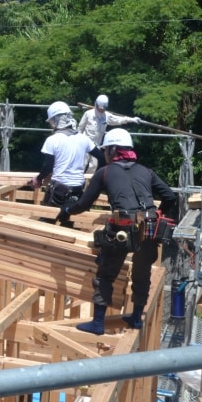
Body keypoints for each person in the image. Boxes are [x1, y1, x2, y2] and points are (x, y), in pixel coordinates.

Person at [56, 128, 177, 335]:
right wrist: (158, 212)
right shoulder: (146, 171)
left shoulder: (104, 172)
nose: (104, 155)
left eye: (105, 151)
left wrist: (66, 211)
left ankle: (98, 324)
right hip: (149, 228)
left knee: (106, 275)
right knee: (142, 272)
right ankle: (136, 318)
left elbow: (84, 204)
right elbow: (170, 196)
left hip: (122, 228)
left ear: (112, 150)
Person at [32, 101, 104, 226]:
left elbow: (48, 166)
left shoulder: (53, 140)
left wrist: (38, 179)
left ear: (55, 120)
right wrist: (98, 179)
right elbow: (101, 157)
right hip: (77, 189)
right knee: (67, 223)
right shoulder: (83, 138)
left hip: (58, 189)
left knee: (46, 222)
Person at [78, 94, 141, 173]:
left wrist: (131, 120)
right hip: (85, 144)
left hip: (96, 146)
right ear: (96, 105)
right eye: (100, 109)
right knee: (81, 164)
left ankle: (88, 184)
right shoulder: (88, 114)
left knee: (93, 166)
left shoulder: (106, 116)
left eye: (103, 109)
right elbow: (80, 128)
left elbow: (119, 120)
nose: (101, 111)